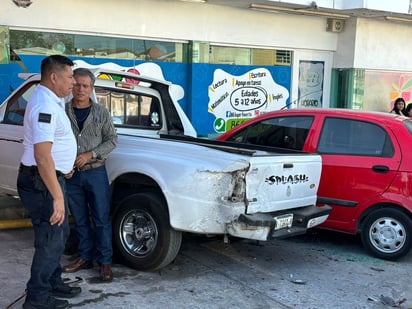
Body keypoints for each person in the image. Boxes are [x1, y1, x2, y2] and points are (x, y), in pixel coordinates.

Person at [17, 55, 81, 309]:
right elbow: (42, 157)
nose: (73, 83)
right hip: (42, 182)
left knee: (58, 234)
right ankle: (37, 298)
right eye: (69, 77)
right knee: (50, 240)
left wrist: (63, 167)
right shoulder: (45, 106)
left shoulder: (49, 100)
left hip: (47, 179)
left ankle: (52, 281)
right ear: (54, 77)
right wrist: (57, 196)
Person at [62, 67, 117, 282]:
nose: (80, 89)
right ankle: (84, 257)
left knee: (101, 218)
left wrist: (90, 154)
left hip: (95, 172)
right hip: (72, 175)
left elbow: (112, 140)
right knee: (80, 219)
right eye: (76, 84)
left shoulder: (101, 113)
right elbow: (55, 141)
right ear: (71, 85)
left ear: (91, 88)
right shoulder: (63, 111)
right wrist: (63, 166)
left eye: (85, 85)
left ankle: (105, 262)